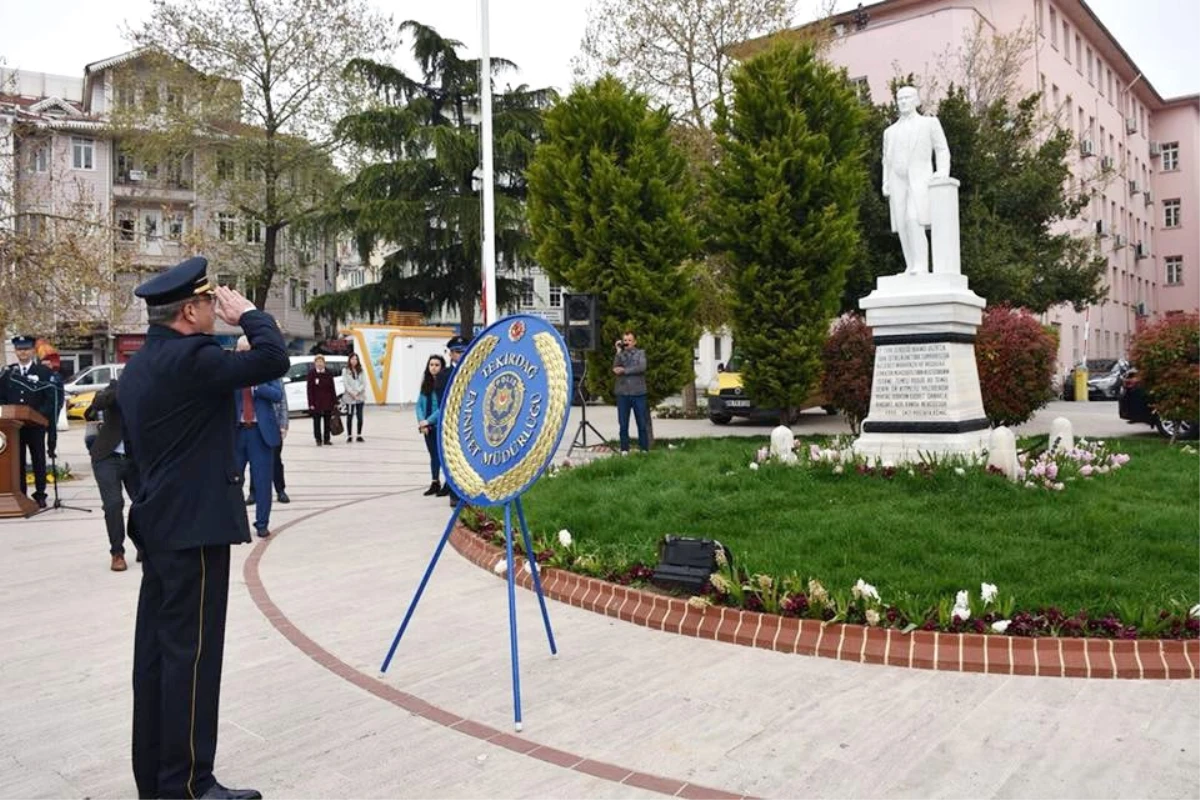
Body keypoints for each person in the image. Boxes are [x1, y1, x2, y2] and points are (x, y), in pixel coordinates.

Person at [118, 256, 288, 800]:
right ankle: (190, 785)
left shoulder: (144, 364)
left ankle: (157, 779)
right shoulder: (194, 358)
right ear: (189, 310)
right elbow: (274, 358)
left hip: (160, 524)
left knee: (158, 658)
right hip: (192, 530)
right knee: (192, 658)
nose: (219, 308)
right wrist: (253, 315)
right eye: (211, 301)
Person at [882, 85, 950, 275]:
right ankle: (910, 265)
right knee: (902, 224)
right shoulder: (890, 132)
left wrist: (942, 171)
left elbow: (942, 149)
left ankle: (921, 264)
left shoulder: (929, 124)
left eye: (907, 98)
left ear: (917, 101)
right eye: (900, 99)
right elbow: (886, 160)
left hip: (920, 181)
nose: (903, 102)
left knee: (914, 219)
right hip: (898, 182)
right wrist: (885, 181)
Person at [85, 379, 141, 571]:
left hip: (135, 458)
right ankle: (117, 552)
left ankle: (144, 546)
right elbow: (99, 402)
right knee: (114, 504)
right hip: (107, 456)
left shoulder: (151, 389)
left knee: (144, 503)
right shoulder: (115, 388)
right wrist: (121, 389)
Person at [0, 335, 60, 509]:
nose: (23, 352)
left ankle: (40, 494)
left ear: (33, 351)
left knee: (38, 460)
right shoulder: (8, 373)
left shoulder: (43, 372)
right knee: (17, 462)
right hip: (14, 427)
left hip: (36, 425)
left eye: (26, 349)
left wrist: (37, 415)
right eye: (19, 349)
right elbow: (1, 397)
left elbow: (49, 398)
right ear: (16, 351)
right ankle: (21, 493)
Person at [233, 335, 284, 538]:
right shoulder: (231, 372)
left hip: (260, 433)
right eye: (240, 352)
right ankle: (237, 523)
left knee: (263, 481)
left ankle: (262, 523)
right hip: (236, 433)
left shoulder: (265, 369)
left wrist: (258, 388)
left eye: (247, 352)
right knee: (233, 481)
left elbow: (277, 394)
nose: (243, 355)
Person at [613, 330, 650, 454]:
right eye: (625, 340)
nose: (627, 342)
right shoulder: (620, 354)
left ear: (634, 342)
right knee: (623, 424)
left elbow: (641, 367)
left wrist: (624, 371)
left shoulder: (640, 353)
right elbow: (615, 367)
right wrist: (618, 352)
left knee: (641, 422)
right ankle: (624, 449)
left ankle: (644, 449)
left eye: (629, 340)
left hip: (638, 393)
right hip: (623, 393)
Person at [417, 355, 446, 495]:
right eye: (431, 365)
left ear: (442, 367)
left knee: (442, 455)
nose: (433, 367)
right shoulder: (426, 384)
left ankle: (449, 485)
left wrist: (428, 421)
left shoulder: (444, 384)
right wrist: (422, 422)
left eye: (437, 365)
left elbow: (443, 407)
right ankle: (435, 482)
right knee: (433, 455)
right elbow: (419, 405)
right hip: (427, 427)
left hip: (440, 425)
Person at [306, 355, 337, 445]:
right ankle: (318, 439)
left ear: (324, 363)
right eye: (317, 362)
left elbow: (332, 388)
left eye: (321, 362)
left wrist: (334, 401)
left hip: (327, 400)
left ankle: (327, 439)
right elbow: (309, 389)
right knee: (316, 421)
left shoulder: (328, 373)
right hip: (316, 402)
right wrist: (311, 403)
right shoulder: (311, 373)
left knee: (327, 421)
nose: (319, 364)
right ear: (315, 363)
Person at [343, 352, 367, 442]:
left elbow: (364, 383)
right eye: (352, 359)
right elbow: (346, 384)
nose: (354, 361)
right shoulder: (345, 370)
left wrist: (357, 392)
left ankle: (359, 435)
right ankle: (349, 436)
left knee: (360, 416)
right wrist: (352, 393)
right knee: (350, 416)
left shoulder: (361, 370)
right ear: (349, 360)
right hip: (350, 397)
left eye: (356, 359)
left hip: (360, 396)